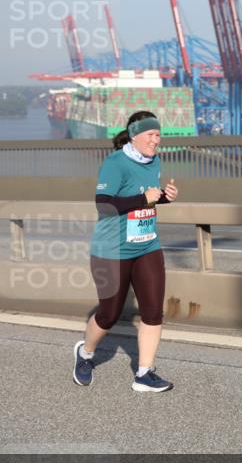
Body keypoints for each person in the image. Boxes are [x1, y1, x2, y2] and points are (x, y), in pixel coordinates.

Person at [72, 111, 179, 392]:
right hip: (112, 250)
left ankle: (144, 373)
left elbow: (145, 201)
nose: (156, 141)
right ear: (135, 135)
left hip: (147, 245)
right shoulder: (115, 163)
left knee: (154, 311)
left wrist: (163, 198)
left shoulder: (154, 160)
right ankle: (85, 354)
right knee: (109, 313)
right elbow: (104, 205)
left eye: (159, 136)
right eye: (151, 135)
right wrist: (144, 197)